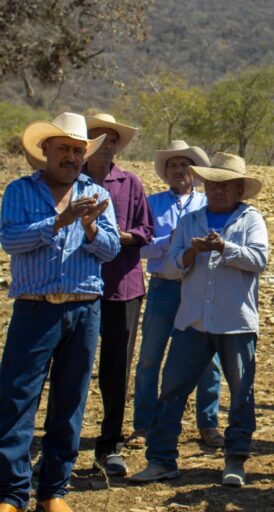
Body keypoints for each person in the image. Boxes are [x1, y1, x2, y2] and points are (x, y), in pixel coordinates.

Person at [0, 113, 120, 512]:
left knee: (70, 403)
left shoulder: (96, 193)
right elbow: (11, 240)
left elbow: (111, 249)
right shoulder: (20, 190)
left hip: (84, 310)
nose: (71, 156)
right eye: (64, 149)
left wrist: (88, 228)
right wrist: (59, 222)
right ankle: (12, 494)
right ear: (45, 150)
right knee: (17, 401)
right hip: (34, 310)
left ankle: (54, 491)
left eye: (78, 150)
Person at [130, 153, 268, 488]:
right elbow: (172, 265)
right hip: (192, 319)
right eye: (212, 184)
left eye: (225, 185)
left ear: (239, 189)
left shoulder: (251, 219)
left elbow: (259, 260)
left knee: (241, 394)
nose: (217, 191)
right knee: (173, 390)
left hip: (235, 321)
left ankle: (235, 460)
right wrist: (190, 253)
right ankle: (161, 459)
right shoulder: (191, 220)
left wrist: (225, 247)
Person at [130, 140, 224, 450]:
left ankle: (208, 423)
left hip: (199, 287)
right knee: (149, 358)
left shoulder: (208, 205)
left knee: (209, 359)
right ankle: (143, 424)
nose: (179, 171)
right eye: (173, 166)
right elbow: (139, 247)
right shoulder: (151, 203)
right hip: (163, 287)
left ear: (195, 173)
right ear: (166, 172)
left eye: (184, 165)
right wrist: (170, 242)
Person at [81, 113, 153, 476]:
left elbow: (146, 230)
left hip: (121, 287)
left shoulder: (129, 182)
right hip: (76, 285)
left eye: (113, 140)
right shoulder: (70, 181)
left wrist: (114, 236)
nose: (108, 145)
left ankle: (109, 444)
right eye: (100, 139)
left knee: (116, 369)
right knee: (72, 365)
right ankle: (58, 442)